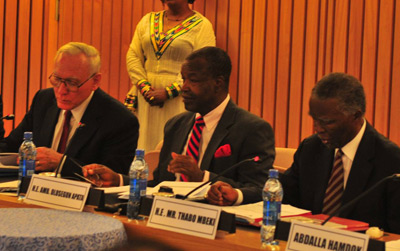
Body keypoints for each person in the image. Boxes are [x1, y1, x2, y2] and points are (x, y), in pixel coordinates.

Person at [208, 72, 400, 233]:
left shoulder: (390, 160)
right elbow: (281, 194)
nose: (317, 128)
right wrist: (237, 195)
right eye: (314, 119)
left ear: (356, 115)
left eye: (327, 122)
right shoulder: (311, 148)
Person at [84, 46, 275, 205]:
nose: (184, 87)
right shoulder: (176, 125)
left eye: (193, 80)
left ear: (218, 83)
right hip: (167, 216)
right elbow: (160, 184)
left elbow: (260, 190)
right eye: (183, 79)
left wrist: (201, 176)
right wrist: (117, 179)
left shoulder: (252, 129)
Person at [0, 42, 139, 178]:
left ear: (95, 81)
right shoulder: (43, 100)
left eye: (72, 83)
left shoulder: (119, 120)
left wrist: (61, 162)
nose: (61, 90)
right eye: (57, 79)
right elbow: (12, 146)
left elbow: (109, 178)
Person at [124, 0, 216, 152]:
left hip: (180, 98)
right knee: (141, 147)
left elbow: (203, 65)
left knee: (172, 147)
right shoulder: (148, 20)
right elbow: (133, 55)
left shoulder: (202, 25)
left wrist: (169, 91)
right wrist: (144, 86)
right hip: (145, 96)